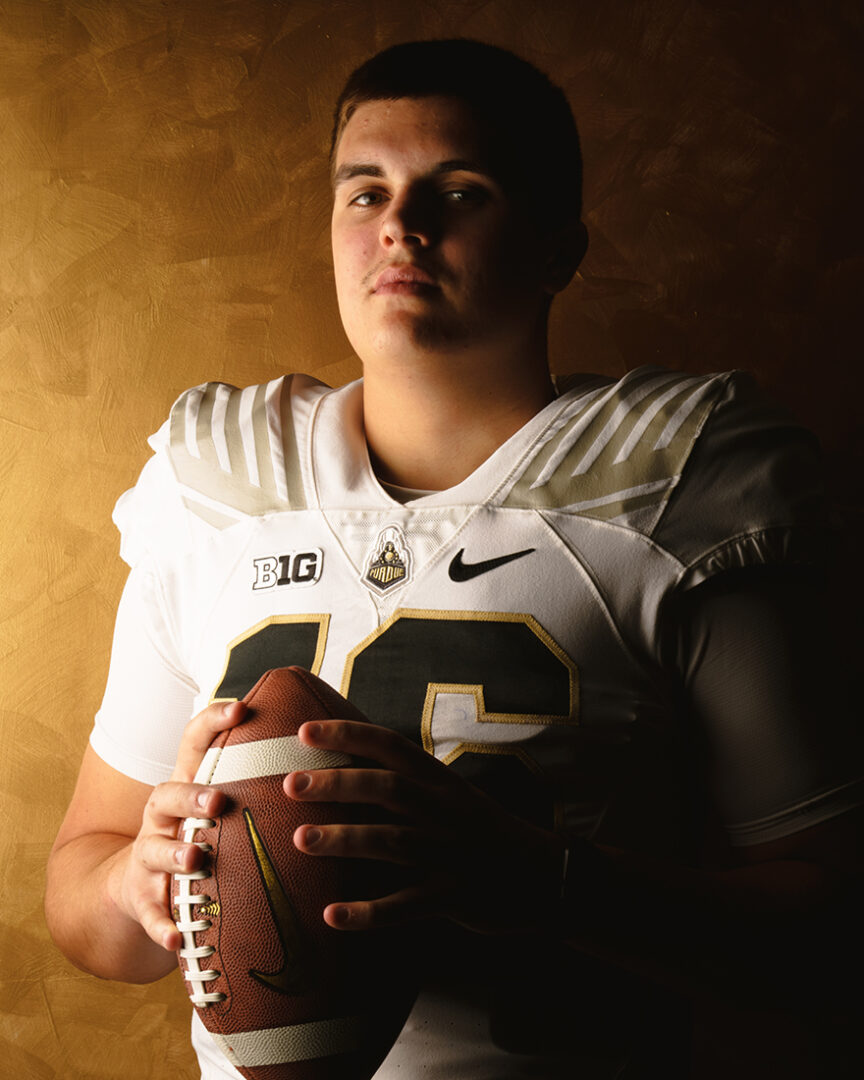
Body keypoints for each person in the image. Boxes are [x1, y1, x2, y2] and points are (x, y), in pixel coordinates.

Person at [45, 39, 862, 1079]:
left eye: (459, 191)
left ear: (559, 245)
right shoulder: (216, 488)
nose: (400, 224)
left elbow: (831, 939)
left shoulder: (675, 481)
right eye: (364, 192)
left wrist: (544, 880)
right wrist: (136, 887)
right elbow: (84, 894)